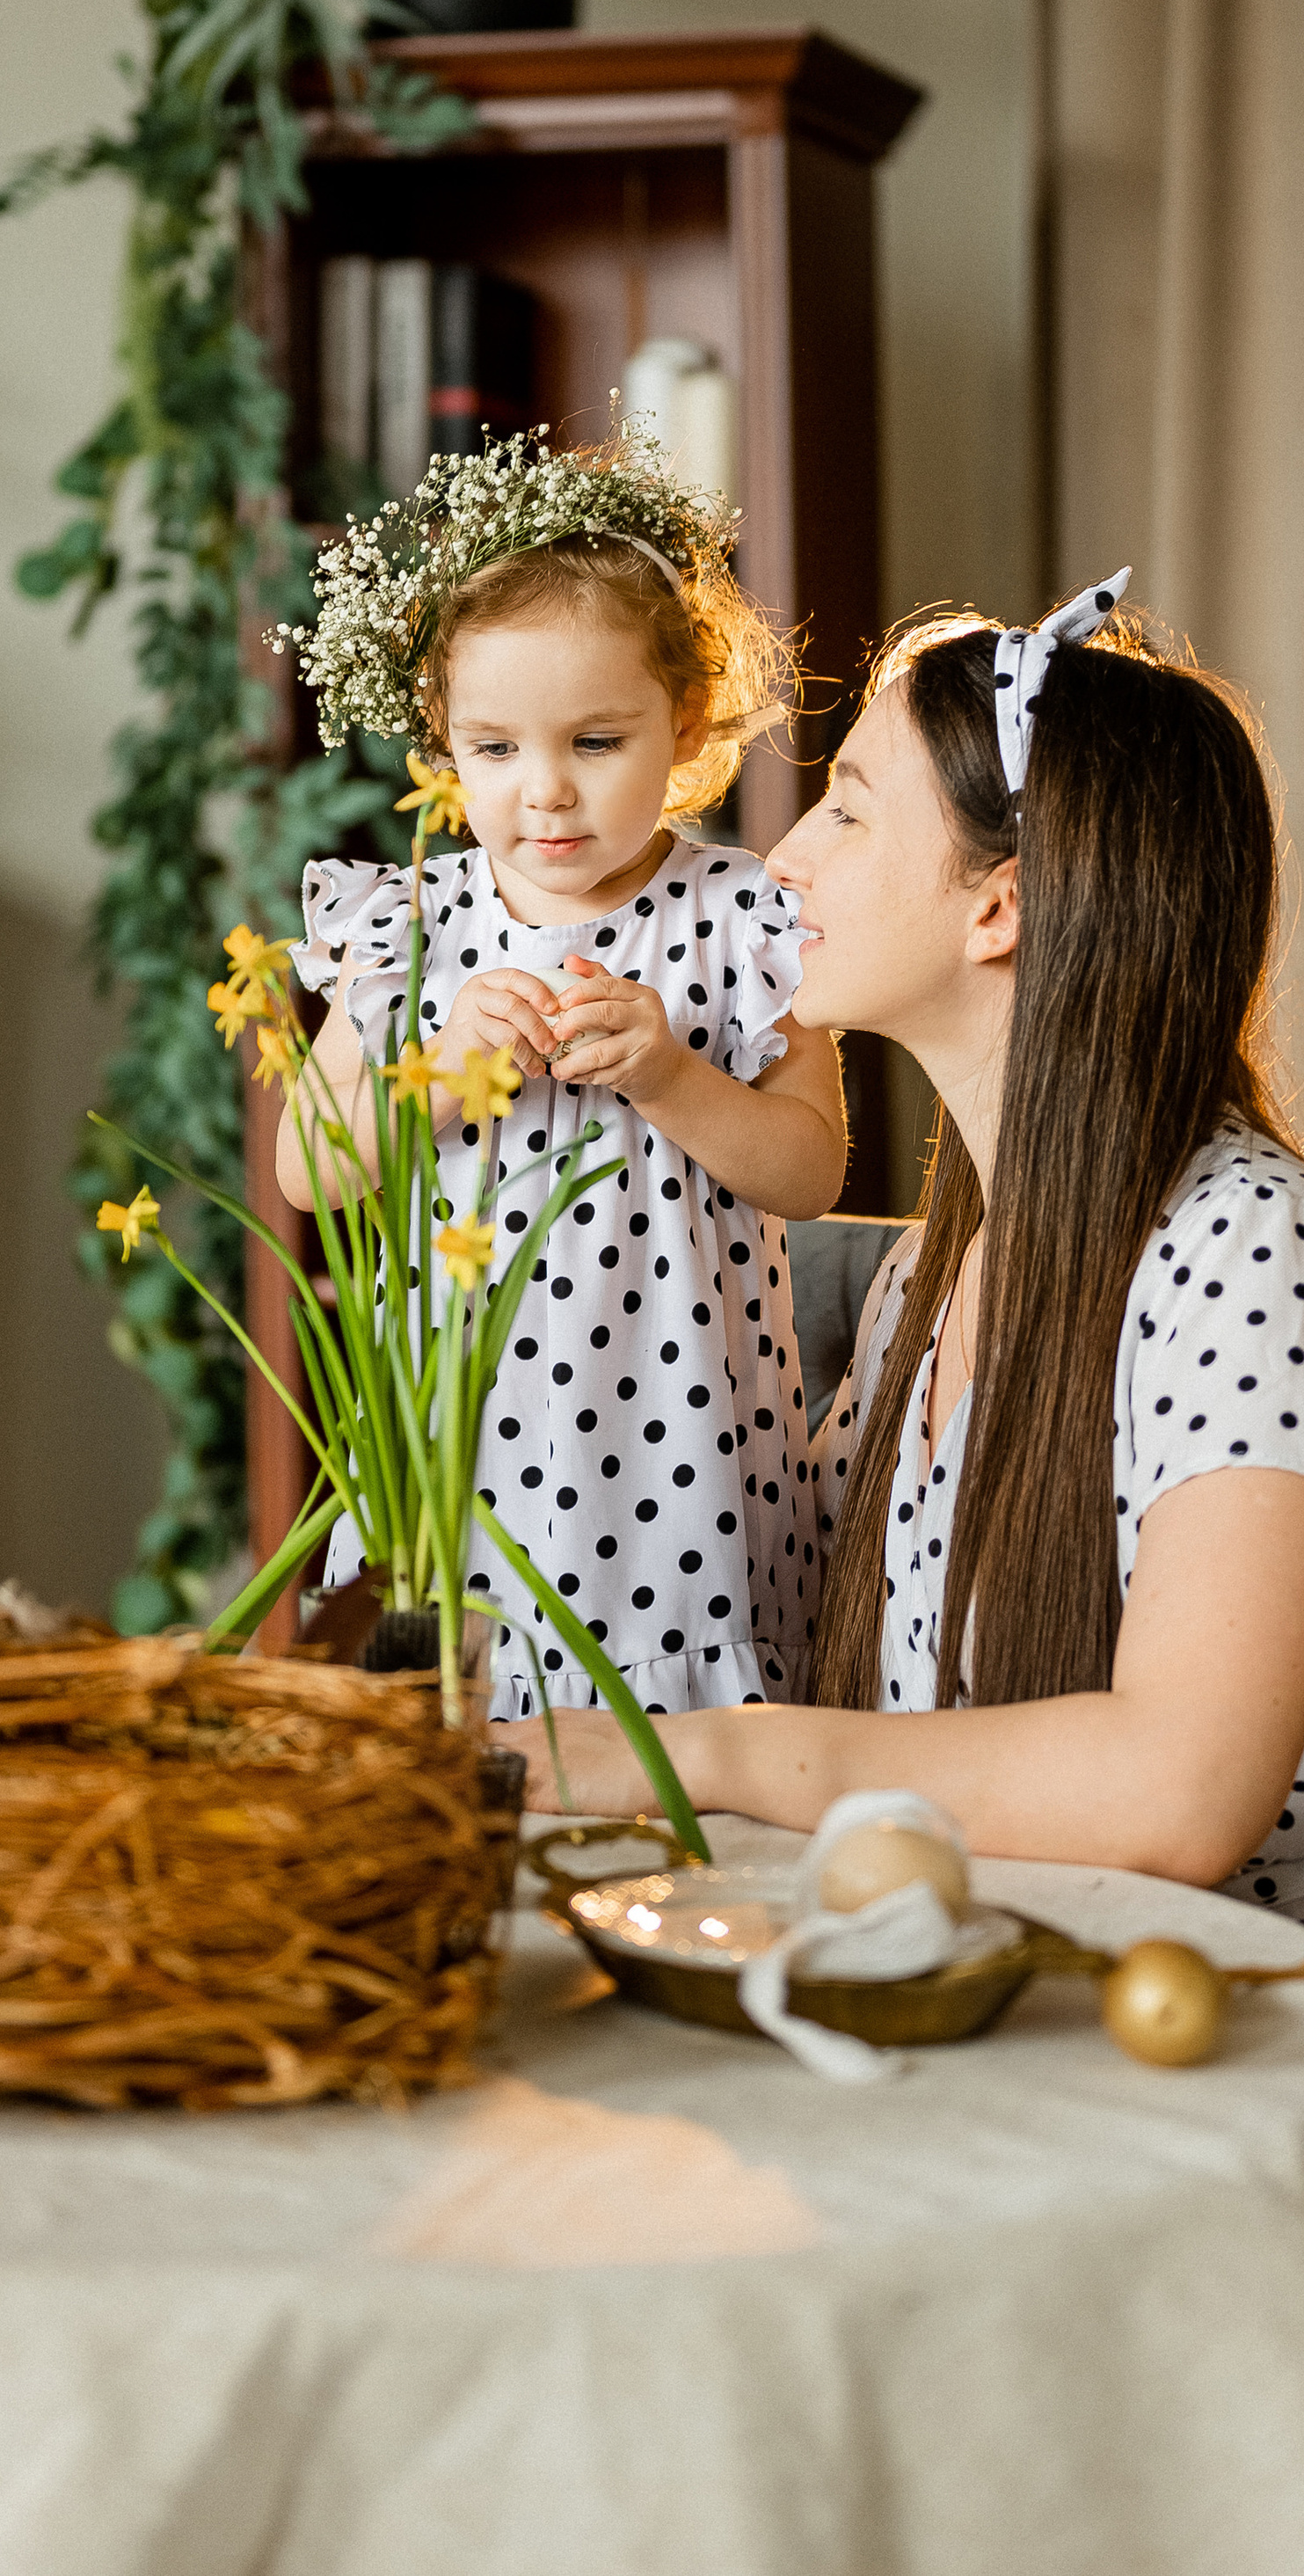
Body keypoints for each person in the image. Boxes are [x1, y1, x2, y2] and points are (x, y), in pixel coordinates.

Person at [507, 577, 1304, 2567]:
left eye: (850, 805)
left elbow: (1174, 1788)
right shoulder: (938, 1266)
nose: (777, 853)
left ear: (999, 904)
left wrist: (685, 1753)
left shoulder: (1240, 1250)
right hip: (1109, 2069)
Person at [277, 422, 849, 1728]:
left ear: (687, 721)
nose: (545, 793)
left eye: (595, 742)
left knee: (673, 1768)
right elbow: (308, 1166)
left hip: (680, 1442)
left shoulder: (744, 919)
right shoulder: (405, 923)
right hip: (461, 1452)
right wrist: (432, 1071)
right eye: (495, 749)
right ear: (443, 738)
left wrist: (672, 1076)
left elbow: (811, 1171)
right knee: (455, 1743)